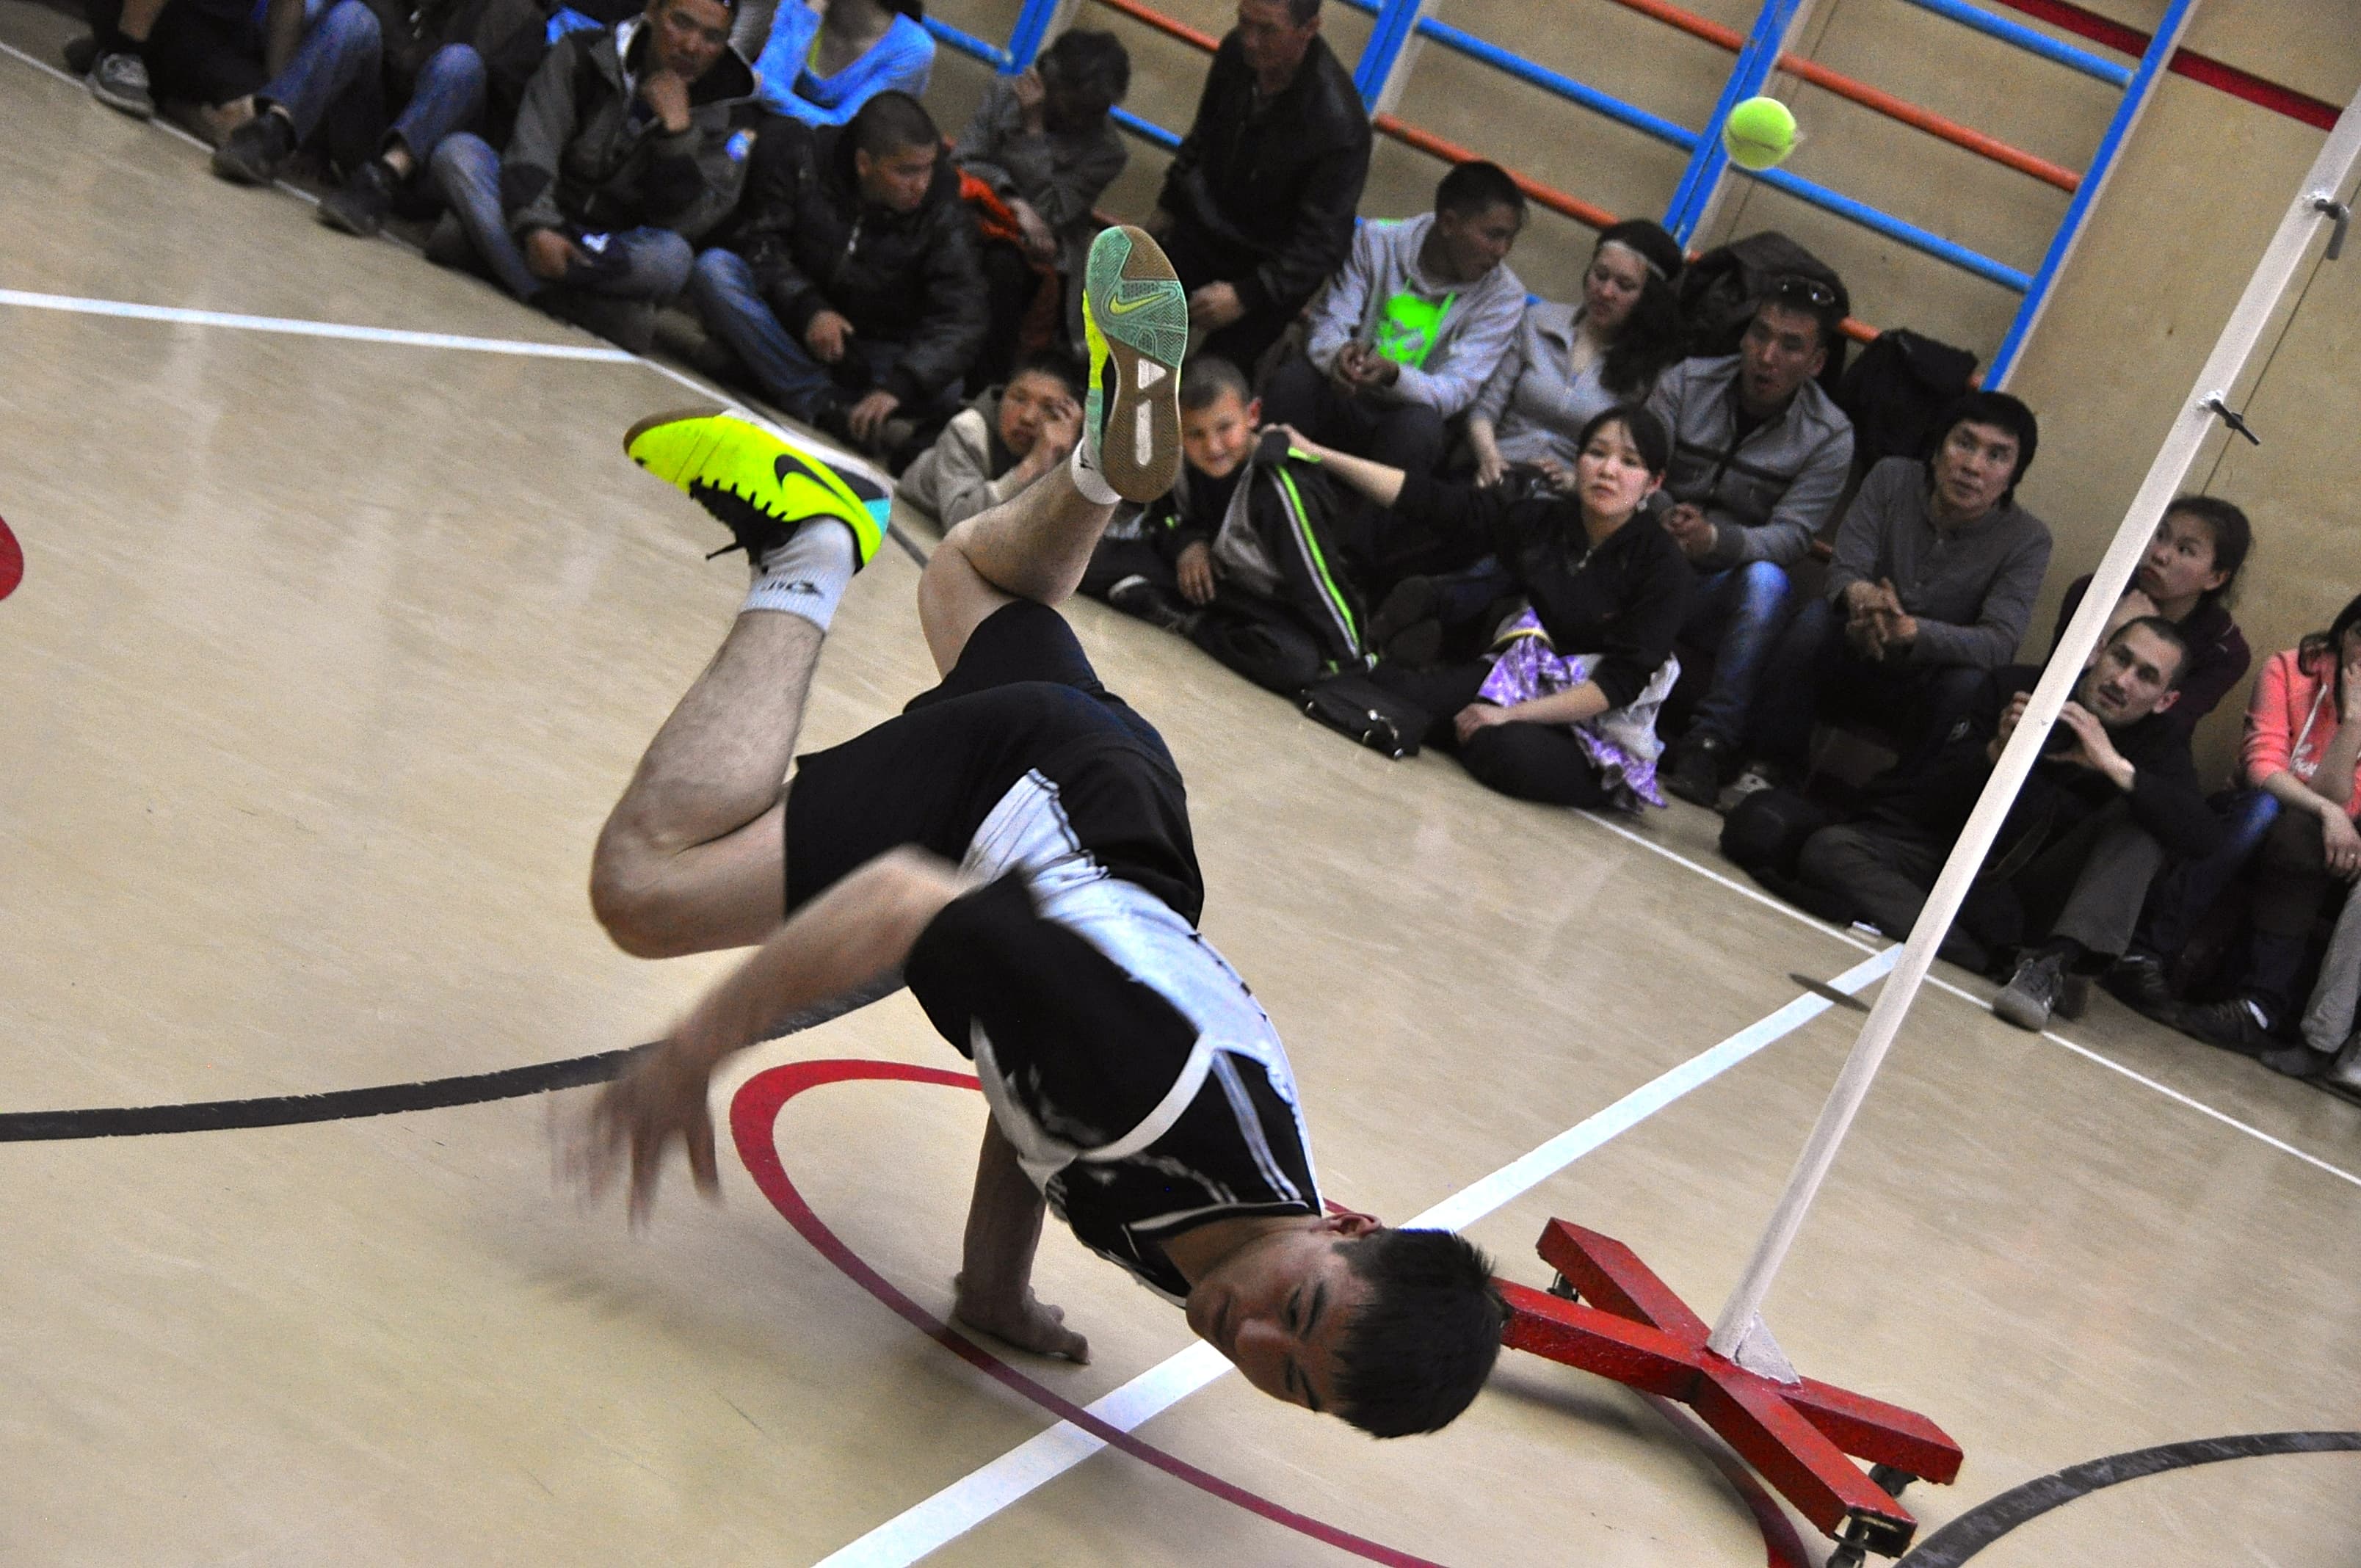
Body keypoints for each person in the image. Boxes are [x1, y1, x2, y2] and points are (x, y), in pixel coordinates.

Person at [572, 227, 1506, 1437]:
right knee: (644, 890)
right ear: (1352, 1230)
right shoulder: (1151, 1082)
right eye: (1302, 1310)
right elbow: (906, 906)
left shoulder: (1234, 1237)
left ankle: (1111, 469)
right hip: (1017, 796)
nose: (1252, 1335)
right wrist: (695, 1054)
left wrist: (992, 1284)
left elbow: (1038, 1113)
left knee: (967, 582)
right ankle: (807, 549)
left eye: (1287, 1378)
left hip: (1121, 816)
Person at [1782, 618, 2219, 1031]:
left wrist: (2116, 769)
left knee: (2142, 823)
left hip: (2039, 896)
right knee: (1829, 851)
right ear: (2098, 651)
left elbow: (2202, 837)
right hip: (1952, 856)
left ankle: (2052, 965)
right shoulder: (2018, 687)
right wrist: (1994, 752)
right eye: (2120, 659)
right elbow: (1923, 796)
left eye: (2146, 676)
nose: (2122, 681)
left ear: (2165, 701)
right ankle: (1994, 960)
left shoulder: (2159, 743)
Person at [1282, 405, 1692, 808]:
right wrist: (1316, 452)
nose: (1608, 470)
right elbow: (1433, 501)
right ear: (1579, 460)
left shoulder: (1662, 566)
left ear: (1653, 483)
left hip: (1597, 727)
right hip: (1517, 678)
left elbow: (1619, 684)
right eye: (1597, 453)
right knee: (1395, 693)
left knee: (1501, 750)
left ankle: (1479, 722)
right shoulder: (1546, 521)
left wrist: (1511, 716)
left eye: (1630, 462)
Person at [1742, 392, 2050, 785]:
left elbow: (1999, 641)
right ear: (1938, 450)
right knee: (1814, 621)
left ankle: (1895, 808)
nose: (1973, 467)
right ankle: (1765, 770)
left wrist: (1914, 632)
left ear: (2013, 476)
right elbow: (1846, 571)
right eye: (1964, 443)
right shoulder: (1892, 478)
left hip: (1927, 684)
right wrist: (1864, 598)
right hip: (1857, 647)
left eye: (1996, 456)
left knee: (1970, 686)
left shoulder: (2028, 539)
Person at [425, 0, 758, 352]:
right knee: (459, 154)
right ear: (652, 11)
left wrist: (677, 135)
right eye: (681, 23)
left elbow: (687, 221)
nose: (691, 46)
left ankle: (493, 256)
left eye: (712, 37)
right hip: (548, 210)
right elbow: (535, 144)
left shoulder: (732, 116)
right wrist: (538, 226)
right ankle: (579, 304)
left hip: (613, 247)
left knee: (673, 258)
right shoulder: (586, 52)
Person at [1648, 277, 1857, 808]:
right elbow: (1635, 461)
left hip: (1724, 586)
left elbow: (1792, 537)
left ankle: (1710, 744)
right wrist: (1670, 517)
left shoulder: (1829, 434)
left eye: (1790, 345)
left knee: (1768, 582)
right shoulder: (1688, 382)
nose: (1766, 356)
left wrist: (1717, 540)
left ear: (1815, 362)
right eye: (1759, 335)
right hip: (1650, 550)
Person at [688, 91, 986, 457]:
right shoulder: (804, 159)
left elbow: (963, 314)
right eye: (906, 171)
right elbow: (762, 244)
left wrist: (898, 387)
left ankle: (771, 375)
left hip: (871, 350)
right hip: (791, 320)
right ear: (864, 163)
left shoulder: (943, 209)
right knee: (714, 271)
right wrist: (808, 308)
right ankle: (822, 403)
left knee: (946, 386)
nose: (920, 185)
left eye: (928, 168)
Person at [1087, 359, 1370, 694]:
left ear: (1252, 415)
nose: (1213, 447)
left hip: (1271, 607)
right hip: (1209, 580)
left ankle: (1189, 621)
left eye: (1225, 428)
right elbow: (1161, 517)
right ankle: (1173, 602)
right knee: (1088, 564)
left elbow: (1319, 582)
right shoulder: (1178, 458)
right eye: (1195, 434)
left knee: (1296, 664)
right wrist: (1186, 544)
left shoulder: (1278, 488)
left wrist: (1350, 663)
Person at [2160, 595, 2361, 1058]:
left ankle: (2257, 1006)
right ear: (2345, 630)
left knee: (2301, 837)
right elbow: (2262, 766)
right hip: (2254, 810)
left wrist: (2352, 723)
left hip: (2322, 842)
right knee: (2267, 813)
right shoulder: (2292, 670)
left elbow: (2342, 800)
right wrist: (2330, 813)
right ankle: (2157, 952)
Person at [1258, 160, 1528, 482]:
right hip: (1343, 392)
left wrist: (1394, 375)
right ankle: (1260, 501)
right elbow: (1330, 322)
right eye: (1493, 236)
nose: (1502, 252)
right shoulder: (1377, 240)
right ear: (1449, 223)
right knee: (1295, 383)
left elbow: (1456, 390)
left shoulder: (1504, 295)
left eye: (1509, 239)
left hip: (1404, 415)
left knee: (1419, 431)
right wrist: (1338, 357)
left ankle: (1362, 532)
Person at [1147, 0, 1372, 375]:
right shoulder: (1235, 54)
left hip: (1271, 268)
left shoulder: (1339, 125)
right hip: (1204, 231)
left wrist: (1247, 294)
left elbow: (1320, 245)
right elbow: (1203, 135)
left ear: (1309, 29)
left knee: (1210, 382)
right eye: (1243, 22)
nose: (1249, 40)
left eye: (1267, 30)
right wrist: (1168, 203)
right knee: (1132, 340)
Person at [208, 0, 493, 239]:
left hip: (423, 167)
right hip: (363, 130)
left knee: (462, 63)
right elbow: (331, 43)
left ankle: (382, 181)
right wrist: (316, 147)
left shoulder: (495, 12)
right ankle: (277, 129)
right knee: (353, 16)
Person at [954, 29, 1131, 369]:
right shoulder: (1004, 94)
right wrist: (1016, 203)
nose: (1082, 120)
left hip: (1041, 250)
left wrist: (1032, 133)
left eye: (1095, 111)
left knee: (1003, 270)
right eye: (1076, 106)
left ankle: (985, 382)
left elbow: (1050, 212)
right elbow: (965, 161)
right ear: (1050, 79)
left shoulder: (1107, 151)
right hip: (976, 214)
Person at [1465, 219, 1688, 487]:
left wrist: (1572, 482)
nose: (1606, 292)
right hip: (1496, 471)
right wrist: (1491, 459)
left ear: (1648, 298)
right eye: (1600, 275)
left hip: (1571, 497)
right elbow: (1485, 409)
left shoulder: (1652, 370)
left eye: (1625, 286)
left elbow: (1636, 466)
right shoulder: (1538, 322)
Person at [897, 349, 1084, 530]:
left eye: (1048, 408)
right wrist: (1033, 465)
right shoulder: (968, 429)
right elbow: (960, 522)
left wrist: (1065, 461)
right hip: (919, 510)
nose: (1028, 417)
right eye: (1019, 399)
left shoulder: (1071, 450)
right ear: (1002, 395)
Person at [744, 0, 930, 125]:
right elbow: (765, 88)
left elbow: (841, 128)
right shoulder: (803, 5)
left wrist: (760, 85)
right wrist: (811, 12)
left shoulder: (912, 47)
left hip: (840, 167)